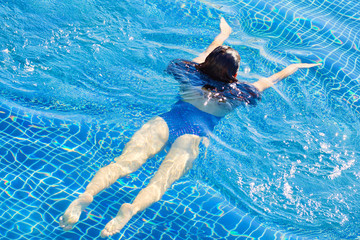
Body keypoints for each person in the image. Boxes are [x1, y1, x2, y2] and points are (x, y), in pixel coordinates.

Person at [59, 18, 321, 237]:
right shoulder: (240, 92)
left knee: (123, 164)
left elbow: (208, 54)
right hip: (194, 136)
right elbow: (270, 79)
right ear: (236, 76)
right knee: (158, 184)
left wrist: (222, 35)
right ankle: (130, 210)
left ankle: (85, 197)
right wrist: (295, 66)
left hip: (166, 122)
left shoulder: (190, 72)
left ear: (207, 64)